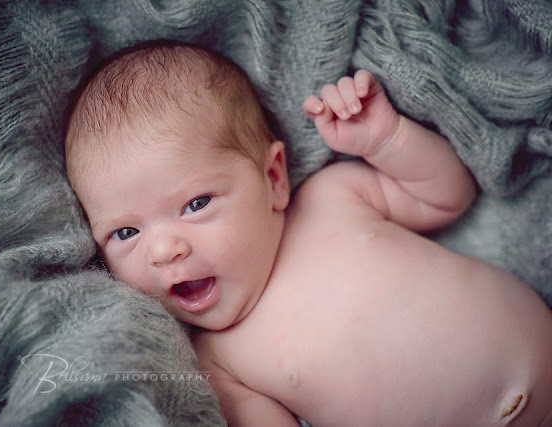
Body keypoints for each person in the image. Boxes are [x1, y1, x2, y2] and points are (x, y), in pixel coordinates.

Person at [65, 40, 552, 426]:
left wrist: (386, 140)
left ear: (273, 178)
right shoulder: (215, 362)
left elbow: (447, 196)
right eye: (125, 232)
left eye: (196, 204)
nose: (165, 249)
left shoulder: (332, 198)